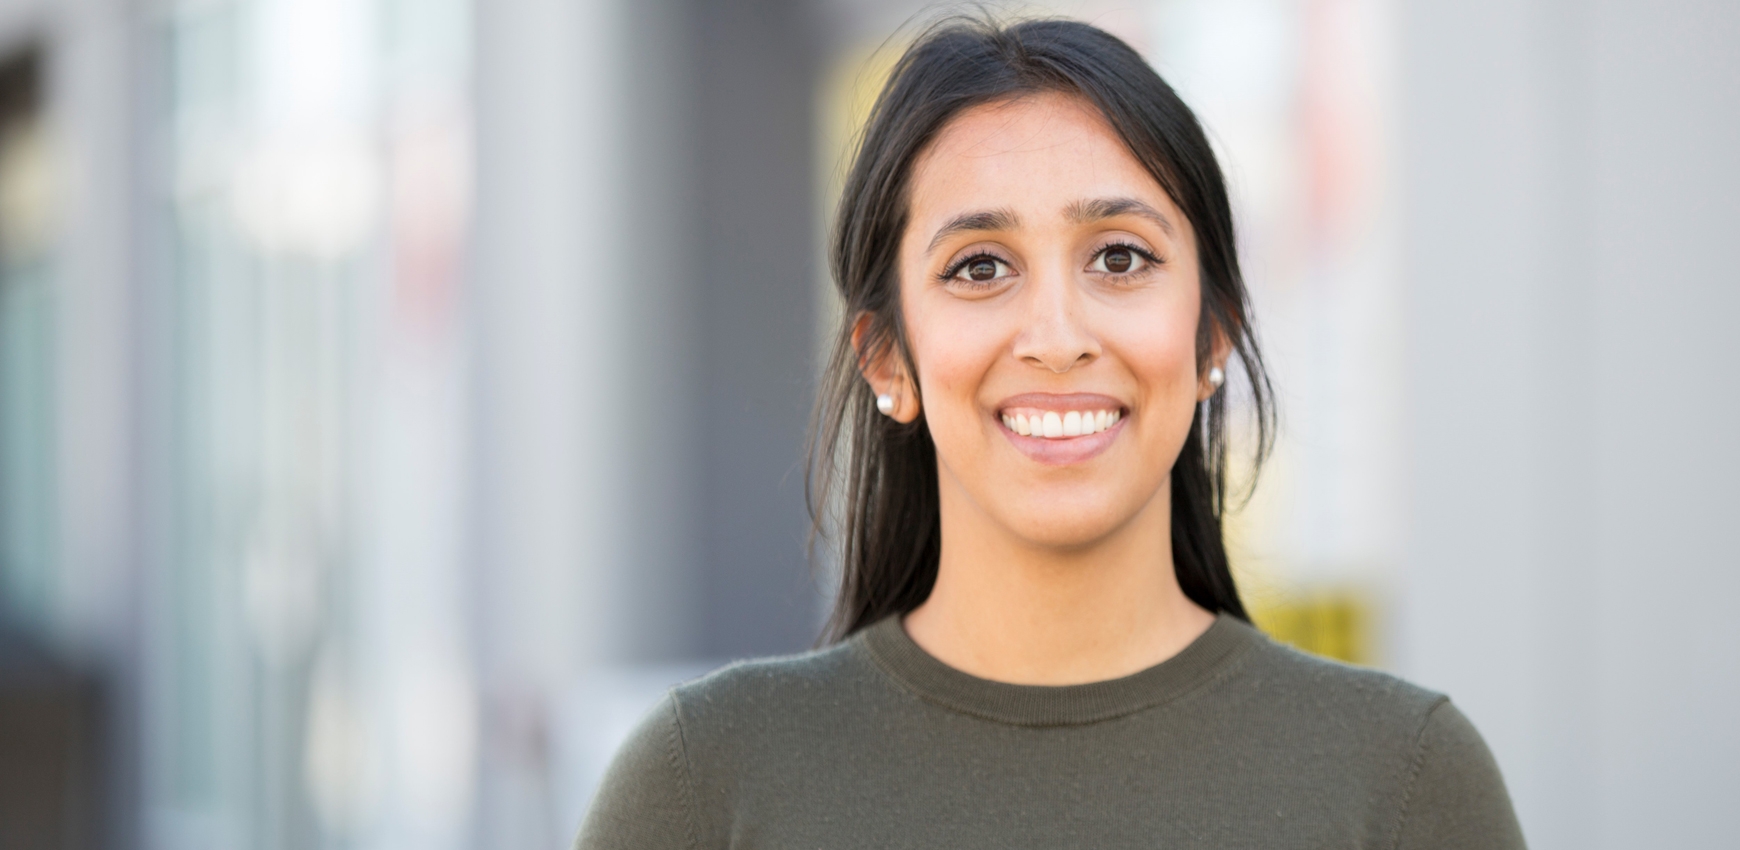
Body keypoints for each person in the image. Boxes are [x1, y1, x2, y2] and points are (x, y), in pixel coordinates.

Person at [575, 17, 1524, 849]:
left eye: (1120, 257)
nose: (1058, 338)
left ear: (1213, 335)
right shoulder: (706, 787)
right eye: (980, 267)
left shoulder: (1403, 783)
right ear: (885, 359)